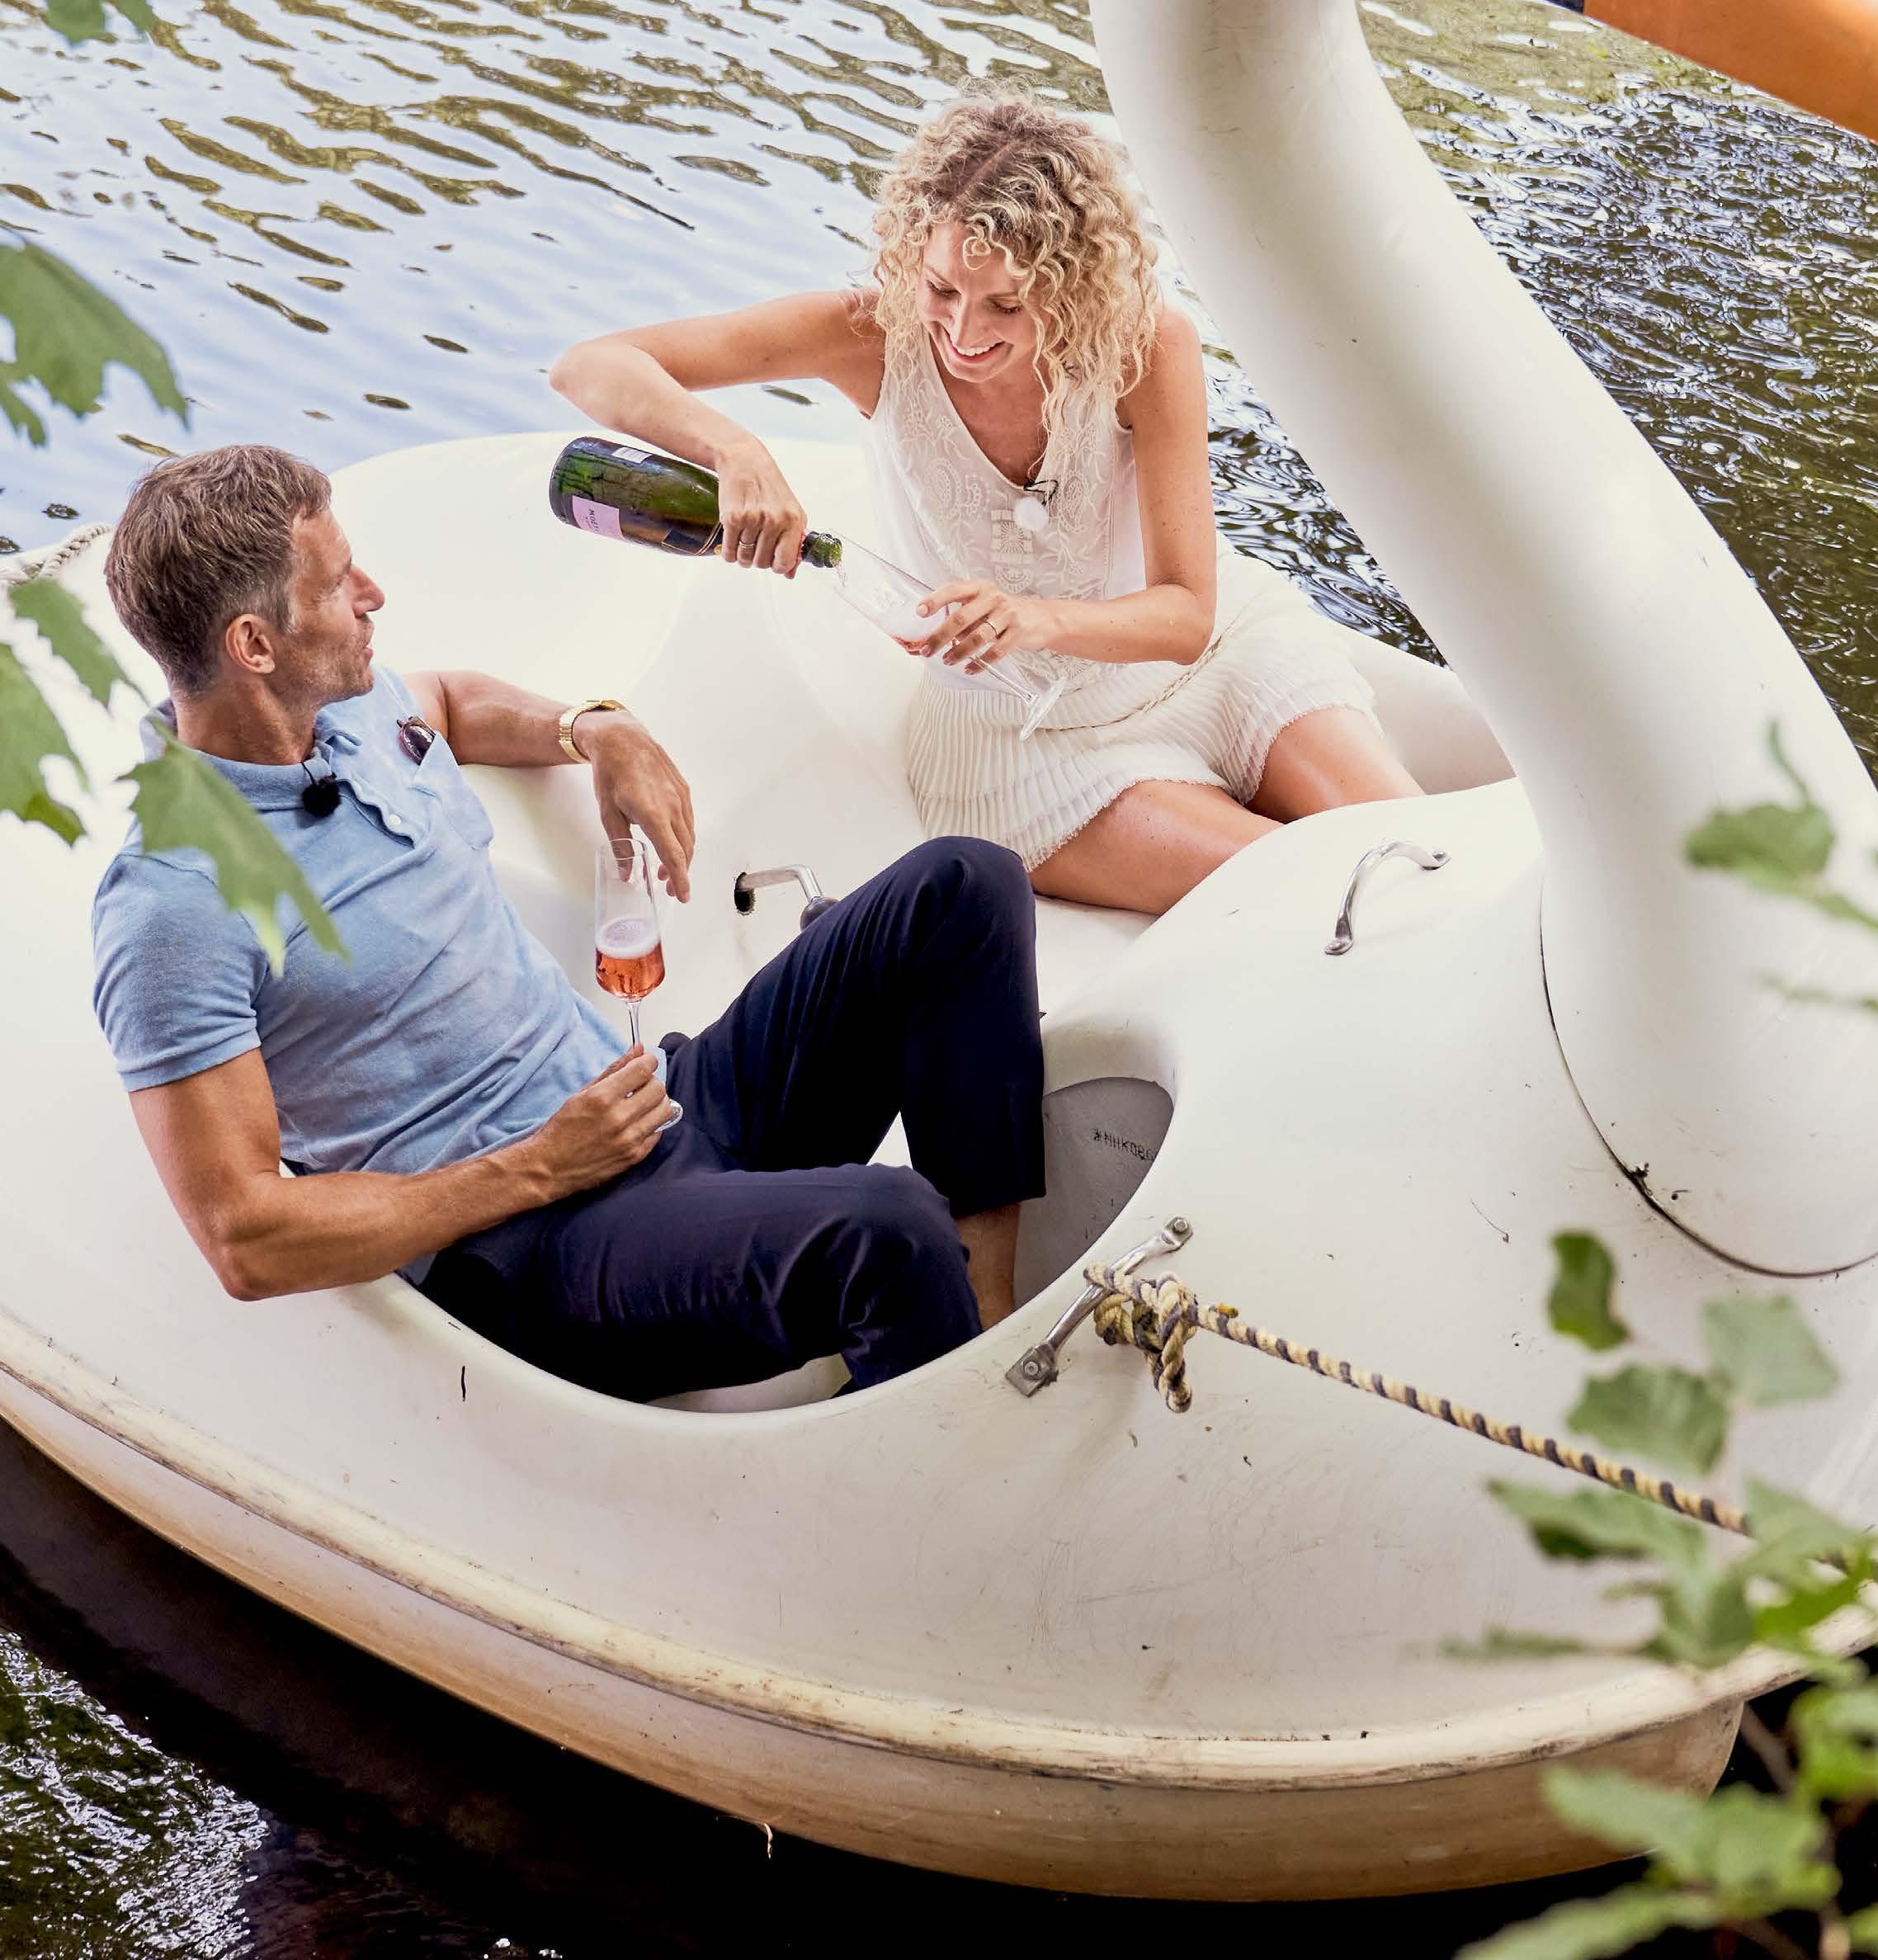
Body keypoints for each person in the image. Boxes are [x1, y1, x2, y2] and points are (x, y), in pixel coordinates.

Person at [89, 445, 1043, 1400]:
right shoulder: (176, 903)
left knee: (964, 884)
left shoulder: (344, 709)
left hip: (650, 1104)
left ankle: (980, 1325)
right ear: (254, 646)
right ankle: (952, 1441)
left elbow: (449, 702)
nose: (374, 595)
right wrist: (536, 1169)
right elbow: (245, 1239)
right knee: (892, 1229)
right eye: (339, 586)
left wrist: (597, 727)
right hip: (539, 1246)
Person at [551, 89, 1421, 916]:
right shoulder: (869, 334)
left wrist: (1032, 618)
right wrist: (734, 450)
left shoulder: (1145, 346)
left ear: (1072, 285)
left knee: (1419, 856)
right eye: (941, 289)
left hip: (1219, 663)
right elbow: (589, 365)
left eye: (1007, 303)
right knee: (1303, 888)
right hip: (1022, 747)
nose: (963, 333)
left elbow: (1188, 616)